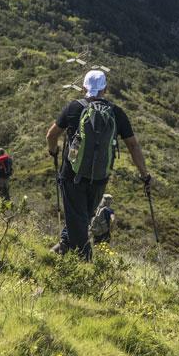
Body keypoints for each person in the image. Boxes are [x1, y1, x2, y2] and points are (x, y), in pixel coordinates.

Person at [45, 69, 150, 260]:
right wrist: (144, 174)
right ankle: (61, 251)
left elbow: (51, 135)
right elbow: (133, 146)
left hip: (72, 176)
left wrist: (53, 150)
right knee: (81, 218)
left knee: (78, 218)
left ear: (84, 86)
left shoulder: (73, 108)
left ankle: (85, 264)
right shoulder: (116, 113)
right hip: (99, 178)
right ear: (105, 89)